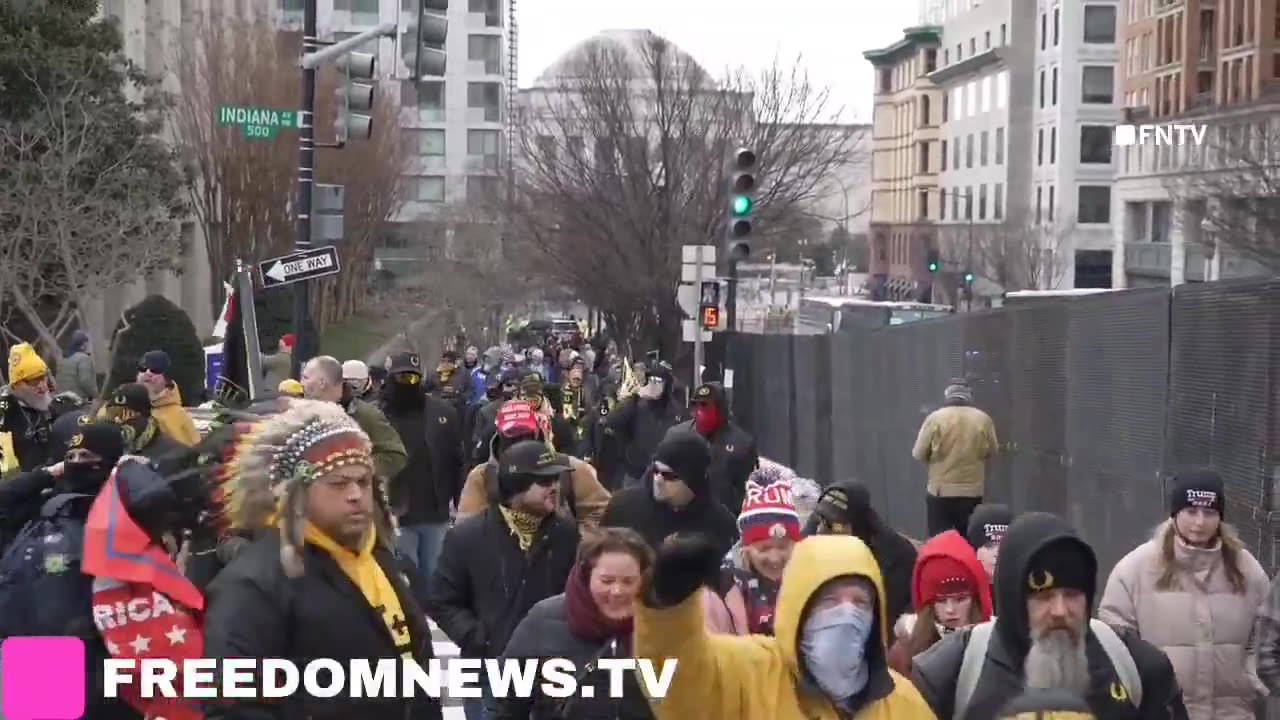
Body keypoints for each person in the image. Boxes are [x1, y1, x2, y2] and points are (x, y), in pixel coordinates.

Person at [911, 512, 1189, 720]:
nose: (1060, 610)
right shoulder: (948, 675)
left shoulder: (1137, 666)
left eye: (1072, 594)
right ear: (1011, 598)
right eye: (1043, 597)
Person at [634, 532, 937, 719]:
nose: (846, 617)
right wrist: (666, 607)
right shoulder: (750, 671)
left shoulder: (901, 704)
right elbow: (672, 684)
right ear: (799, 606)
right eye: (829, 602)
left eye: (860, 603)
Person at [1098, 469, 1268, 720]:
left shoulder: (1245, 569)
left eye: (1209, 512)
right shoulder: (1134, 570)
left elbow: (1268, 629)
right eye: (1191, 511)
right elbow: (1114, 644)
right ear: (1175, 513)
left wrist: (1252, 675)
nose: (1199, 522)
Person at [429, 440, 579, 720]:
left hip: (551, 671)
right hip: (489, 670)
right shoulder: (467, 537)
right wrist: (480, 638)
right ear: (517, 485)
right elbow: (442, 601)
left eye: (556, 479)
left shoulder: (566, 533)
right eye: (545, 481)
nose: (555, 487)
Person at [495, 527, 656, 720]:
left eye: (629, 582)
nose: (617, 591)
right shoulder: (544, 620)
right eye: (607, 581)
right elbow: (510, 704)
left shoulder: (662, 624)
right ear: (586, 577)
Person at [457, 400, 610, 531]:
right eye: (514, 436)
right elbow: (465, 530)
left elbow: (602, 511)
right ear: (499, 435)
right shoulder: (483, 477)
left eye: (526, 435)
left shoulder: (570, 468)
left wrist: (579, 544)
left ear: (538, 432)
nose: (521, 443)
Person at [380, 352, 463, 592]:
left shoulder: (443, 412)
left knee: (434, 580)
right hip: (396, 512)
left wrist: (459, 500)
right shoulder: (379, 416)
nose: (407, 383)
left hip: (435, 511)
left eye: (413, 378)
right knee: (406, 582)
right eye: (401, 377)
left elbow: (456, 459)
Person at [600, 428, 738, 559]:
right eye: (656, 470)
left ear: (693, 479)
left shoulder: (720, 524)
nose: (658, 480)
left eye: (669, 475)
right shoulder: (623, 508)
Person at [806, 480, 917, 630]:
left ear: (857, 525)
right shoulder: (810, 541)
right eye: (820, 519)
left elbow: (890, 617)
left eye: (835, 525)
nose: (822, 530)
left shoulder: (894, 556)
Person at [710, 463, 801, 636]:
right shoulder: (730, 579)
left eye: (783, 547)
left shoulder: (807, 568)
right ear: (746, 548)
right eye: (764, 549)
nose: (774, 558)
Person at [887, 529, 992, 674]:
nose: (950, 609)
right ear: (929, 606)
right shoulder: (903, 654)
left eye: (960, 599)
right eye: (941, 601)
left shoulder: (993, 649)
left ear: (975, 601)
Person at [301, 355, 407, 482]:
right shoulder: (304, 412)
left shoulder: (365, 414)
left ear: (321, 382)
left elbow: (396, 456)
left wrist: (354, 468)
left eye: (306, 378)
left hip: (351, 496)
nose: (302, 383)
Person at [913, 379, 998, 536]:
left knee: (939, 540)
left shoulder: (935, 418)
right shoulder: (983, 419)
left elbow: (918, 453)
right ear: (968, 396)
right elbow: (993, 450)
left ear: (947, 395)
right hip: (972, 491)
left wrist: (933, 464)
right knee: (969, 538)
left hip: (940, 490)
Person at [603, 360, 686, 489]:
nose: (654, 385)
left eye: (658, 381)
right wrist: (634, 397)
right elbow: (613, 421)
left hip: (663, 475)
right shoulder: (637, 405)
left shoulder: (676, 412)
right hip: (636, 473)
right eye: (651, 380)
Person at [678, 382, 758, 512]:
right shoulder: (682, 438)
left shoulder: (742, 443)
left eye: (705, 406)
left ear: (720, 409)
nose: (699, 411)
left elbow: (750, 492)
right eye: (695, 405)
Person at [100, 383, 188, 473]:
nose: (118, 421)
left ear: (143, 415)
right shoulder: (106, 450)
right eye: (113, 416)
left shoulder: (175, 454)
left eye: (124, 415)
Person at [1, 343, 59, 472]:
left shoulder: (55, 406)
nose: (42, 386)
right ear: (16, 385)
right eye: (34, 381)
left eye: (43, 378)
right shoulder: (7, 410)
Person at [135, 350, 200, 447]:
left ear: (167, 380)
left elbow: (190, 452)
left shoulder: (178, 415)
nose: (148, 373)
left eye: (155, 370)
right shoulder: (121, 406)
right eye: (143, 368)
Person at [57, 330, 97, 401]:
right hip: (78, 401)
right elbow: (85, 382)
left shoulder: (63, 359)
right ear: (83, 345)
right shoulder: (83, 358)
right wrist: (96, 395)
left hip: (62, 400)